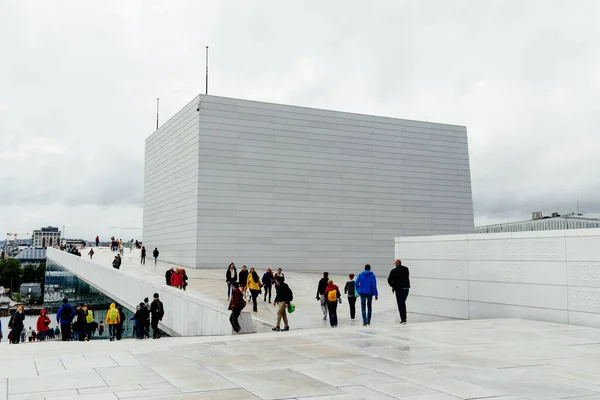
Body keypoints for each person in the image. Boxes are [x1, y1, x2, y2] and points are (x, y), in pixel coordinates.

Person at [388, 259, 410, 324]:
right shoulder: (406, 269)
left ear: (396, 263)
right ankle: (404, 318)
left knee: (400, 304)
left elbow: (389, 280)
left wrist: (393, 285)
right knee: (403, 302)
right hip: (406, 288)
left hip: (399, 289)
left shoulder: (394, 271)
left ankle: (403, 319)